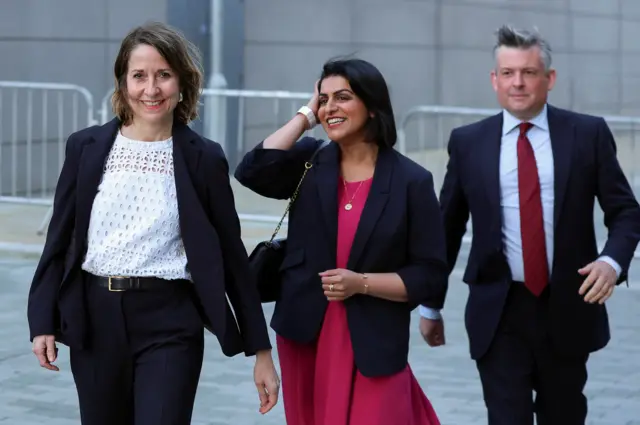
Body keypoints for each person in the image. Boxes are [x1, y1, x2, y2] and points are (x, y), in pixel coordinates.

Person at [27, 22, 279, 425]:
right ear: (123, 81)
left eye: (163, 75)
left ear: (182, 81)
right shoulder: (85, 147)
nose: (151, 89)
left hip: (170, 322)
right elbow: (59, 242)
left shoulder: (204, 158)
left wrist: (261, 352)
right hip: (95, 320)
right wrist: (41, 321)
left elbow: (231, 257)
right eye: (139, 76)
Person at [418, 25, 640, 425]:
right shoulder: (469, 142)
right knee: (507, 417)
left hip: (569, 305)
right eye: (508, 73)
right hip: (498, 310)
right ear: (495, 80)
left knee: (564, 414)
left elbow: (626, 211)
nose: (517, 82)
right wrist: (431, 305)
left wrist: (612, 262)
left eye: (529, 72)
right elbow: (446, 228)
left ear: (549, 79)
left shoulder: (586, 134)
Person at [234, 57, 448, 425]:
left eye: (342, 97)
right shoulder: (309, 162)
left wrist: (361, 284)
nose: (330, 107)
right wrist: (306, 116)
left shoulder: (412, 180)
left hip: (373, 338)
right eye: (323, 98)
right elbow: (251, 170)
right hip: (306, 334)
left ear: (372, 105)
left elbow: (429, 276)